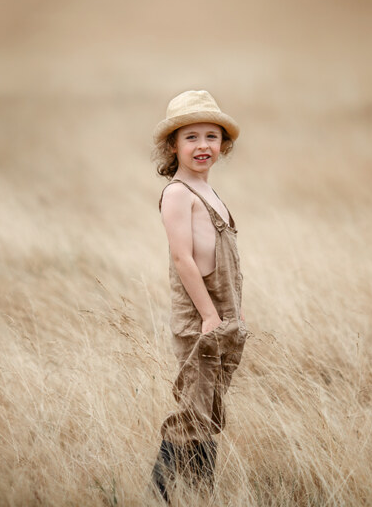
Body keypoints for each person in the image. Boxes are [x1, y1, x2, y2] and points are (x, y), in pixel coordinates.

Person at [150, 90, 248, 501]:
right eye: (190, 137)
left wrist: (230, 316)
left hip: (222, 314)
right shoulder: (178, 193)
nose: (202, 145)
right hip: (200, 317)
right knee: (193, 409)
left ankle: (198, 493)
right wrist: (209, 315)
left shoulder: (209, 191)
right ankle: (162, 493)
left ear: (223, 145)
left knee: (209, 408)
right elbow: (182, 258)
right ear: (173, 146)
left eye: (211, 136)